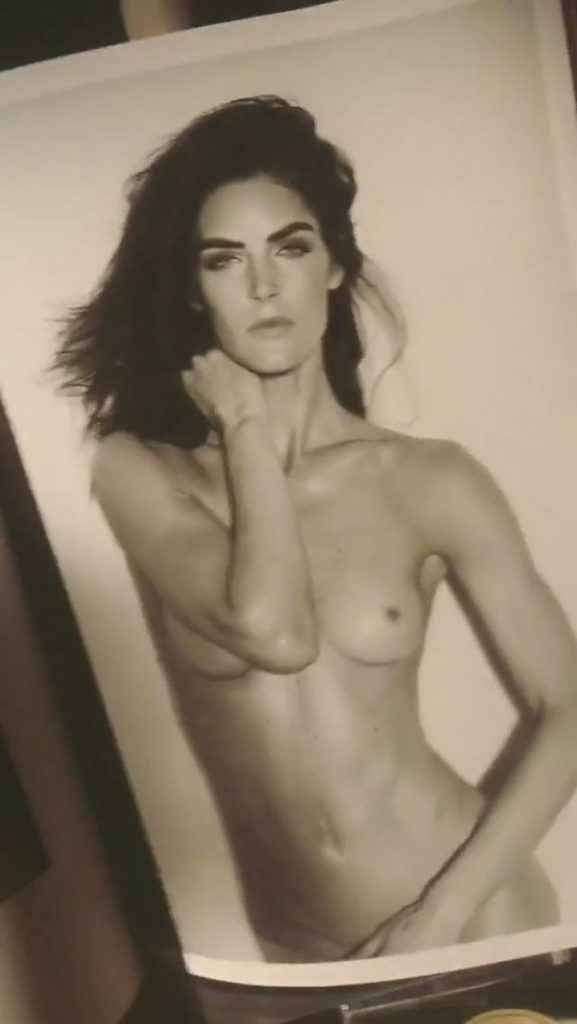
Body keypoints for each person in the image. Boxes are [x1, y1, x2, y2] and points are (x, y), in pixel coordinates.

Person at [54, 96, 577, 964]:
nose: (263, 286)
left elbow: (570, 705)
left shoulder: (430, 479)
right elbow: (276, 631)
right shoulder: (137, 472)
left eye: (290, 247)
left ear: (334, 264)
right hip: (296, 953)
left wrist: (438, 915)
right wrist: (245, 430)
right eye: (224, 260)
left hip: (471, 921)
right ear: (192, 290)